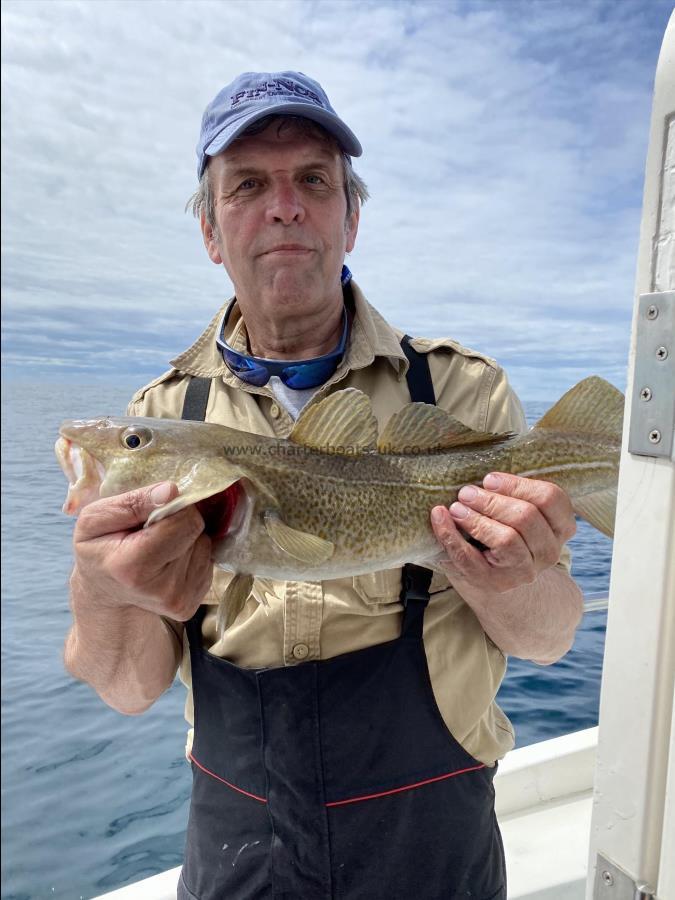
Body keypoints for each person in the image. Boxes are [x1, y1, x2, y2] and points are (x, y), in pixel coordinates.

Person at [64, 71, 582, 899]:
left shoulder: (461, 393)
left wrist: (513, 578)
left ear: (351, 217)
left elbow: (549, 640)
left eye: (313, 180)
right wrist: (103, 587)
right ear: (210, 229)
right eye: (247, 186)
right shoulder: (163, 416)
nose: (284, 207)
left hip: (433, 834)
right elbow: (128, 690)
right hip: (237, 840)